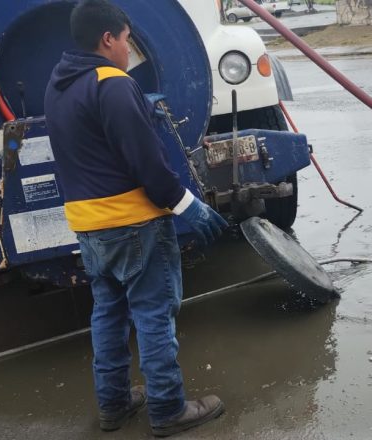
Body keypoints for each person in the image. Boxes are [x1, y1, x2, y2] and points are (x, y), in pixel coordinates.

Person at [44, 0, 227, 435]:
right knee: (153, 315)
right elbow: (147, 163)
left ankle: (115, 404)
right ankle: (167, 409)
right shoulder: (113, 84)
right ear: (108, 38)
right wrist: (188, 205)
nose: (129, 50)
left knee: (108, 315)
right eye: (127, 40)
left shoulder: (58, 84)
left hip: (88, 227)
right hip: (135, 225)